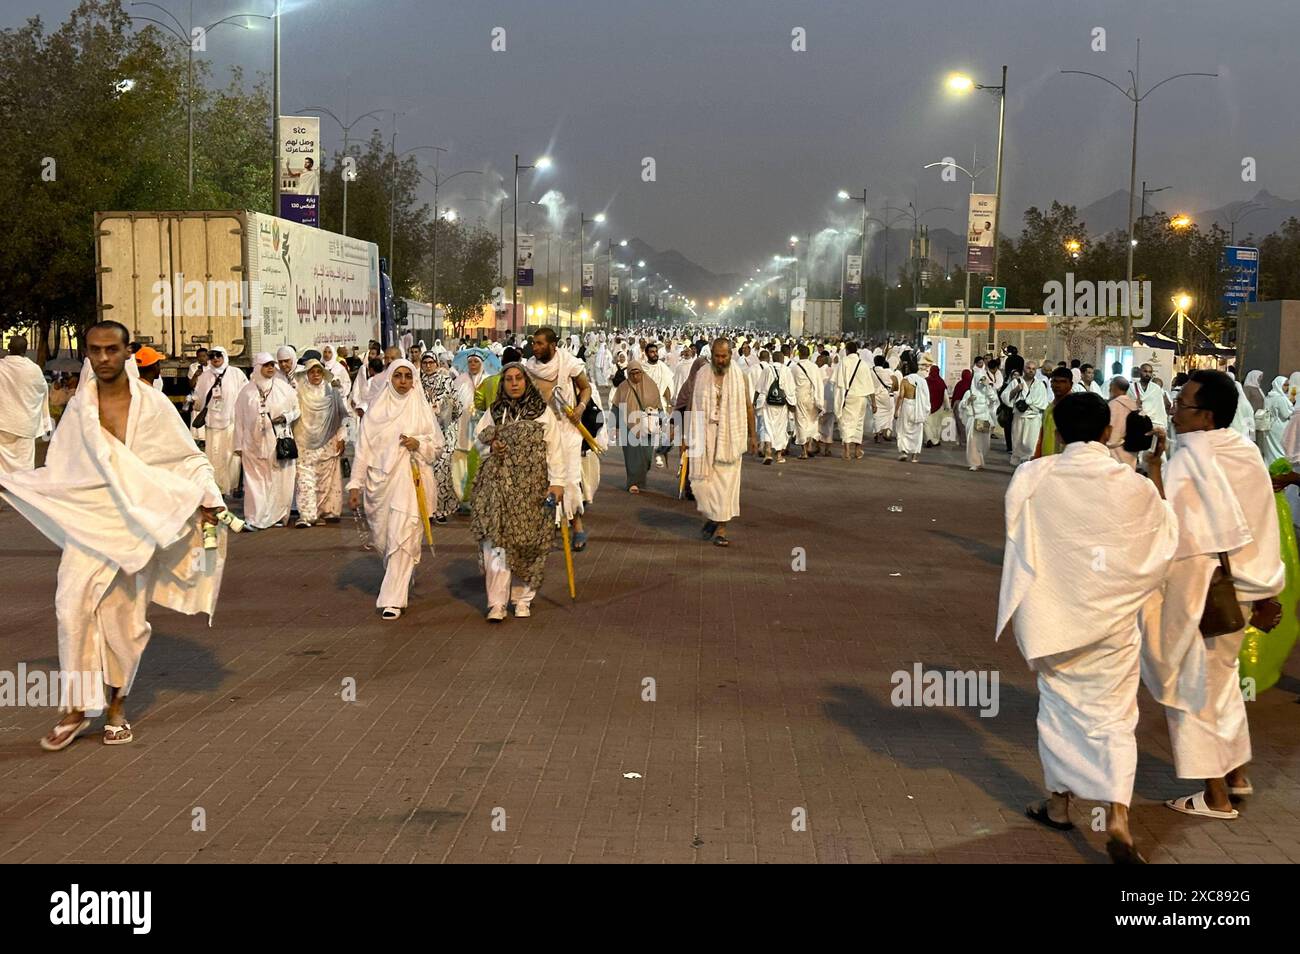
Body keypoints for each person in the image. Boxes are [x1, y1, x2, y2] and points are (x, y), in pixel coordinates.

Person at [0, 321, 227, 751]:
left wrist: (211, 499)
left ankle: (116, 708)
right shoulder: (79, 409)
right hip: (90, 528)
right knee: (71, 608)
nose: (103, 358)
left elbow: (185, 457)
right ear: (87, 353)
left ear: (127, 353)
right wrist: (19, 483)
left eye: (111, 349)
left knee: (124, 624)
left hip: (133, 529)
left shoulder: (154, 405)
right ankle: (76, 708)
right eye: (95, 350)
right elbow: (62, 470)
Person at [997, 392, 1176, 863]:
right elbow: (1164, 539)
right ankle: (1117, 816)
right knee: (1116, 719)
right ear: (1107, 433)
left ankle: (1059, 805)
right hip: (1113, 622)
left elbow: (1018, 530)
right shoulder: (1133, 485)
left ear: (1056, 430)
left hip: (1054, 620)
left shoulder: (1033, 476)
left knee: (1058, 713)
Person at [1142, 369, 1285, 821]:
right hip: (1243, 591)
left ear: (1205, 416)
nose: (1174, 410)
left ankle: (1214, 796)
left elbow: (1177, 531)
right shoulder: (1244, 450)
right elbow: (1261, 528)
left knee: (1194, 690)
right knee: (1222, 686)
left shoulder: (1192, 459)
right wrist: (1264, 592)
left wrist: (1152, 472)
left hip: (1205, 591)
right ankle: (1237, 774)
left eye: (1182, 404)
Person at [470, 364, 566, 621]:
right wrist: (493, 448)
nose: (514, 384)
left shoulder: (543, 412)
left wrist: (557, 483)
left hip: (532, 490)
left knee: (527, 544)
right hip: (499, 488)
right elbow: (478, 440)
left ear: (526, 381)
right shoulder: (494, 412)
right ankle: (497, 603)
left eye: (518, 379)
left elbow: (555, 450)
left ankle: (522, 599)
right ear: (502, 384)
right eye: (509, 380)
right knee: (497, 545)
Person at [346, 360, 440, 621]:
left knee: (403, 536)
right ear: (389, 379)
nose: (402, 381)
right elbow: (363, 451)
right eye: (397, 375)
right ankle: (401, 575)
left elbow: (436, 448)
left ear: (414, 380)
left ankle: (392, 599)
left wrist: (418, 443)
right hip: (380, 485)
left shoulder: (420, 410)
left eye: (407, 376)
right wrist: (355, 484)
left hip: (411, 482)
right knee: (385, 541)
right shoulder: (375, 413)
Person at [525, 327, 594, 551]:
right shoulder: (529, 368)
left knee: (570, 481)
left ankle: (577, 527)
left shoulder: (570, 363)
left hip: (568, 430)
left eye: (539, 343)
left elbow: (586, 388)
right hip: (541, 430)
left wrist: (580, 408)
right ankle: (547, 527)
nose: (535, 347)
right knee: (544, 480)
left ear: (553, 345)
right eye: (534, 343)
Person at [686, 338, 757, 547]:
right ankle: (713, 517)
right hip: (704, 433)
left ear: (730, 354)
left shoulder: (740, 376)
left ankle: (721, 528)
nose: (720, 359)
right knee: (703, 485)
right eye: (717, 356)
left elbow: (748, 407)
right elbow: (692, 403)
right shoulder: (702, 374)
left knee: (725, 485)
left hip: (730, 436)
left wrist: (753, 436)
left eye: (724, 356)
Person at [233, 354, 300, 530]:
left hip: (277, 442)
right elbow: (238, 420)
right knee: (254, 482)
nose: (271, 368)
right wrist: (238, 445)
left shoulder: (283, 388)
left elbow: (296, 410)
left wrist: (285, 417)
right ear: (257, 367)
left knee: (278, 480)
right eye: (266, 365)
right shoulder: (246, 392)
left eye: (272, 365)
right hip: (252, 444)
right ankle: (255, 518)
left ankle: (277, 515)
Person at [291, 358, 347, 527]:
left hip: (328, 441)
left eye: (318, 372)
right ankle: (307, 515)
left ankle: (324, 511)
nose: (315, 375)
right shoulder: (298, 392)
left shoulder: (331, 391)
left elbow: (341, 416)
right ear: (306, 374)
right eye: (312, 372)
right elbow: (292, 414)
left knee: (325, 479)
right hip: (303, 440)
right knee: (304, 478)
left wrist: (342, 437)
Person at [191, 346, 248, 495]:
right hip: (212, 422)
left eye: (218, 356)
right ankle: (217, 487)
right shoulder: (205, 376)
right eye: (212, 356)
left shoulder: (236, 374)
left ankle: (232, 486)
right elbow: (198, 397)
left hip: (232, 421)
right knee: (214, 454)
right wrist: (194, 402)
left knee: (231, 455)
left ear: (224, 356)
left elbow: (246, 395)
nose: (215, 359)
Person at [0, 335, 53, 479]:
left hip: (3, 422)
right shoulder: (34, 369)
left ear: (9, 348)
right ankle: (21, 491)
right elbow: (42, 390)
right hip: (25, 424)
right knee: (24, 464)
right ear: (26, 350)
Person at [419, 352, 462, 522]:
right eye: (425, 362)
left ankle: (441, 510)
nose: (428, 365)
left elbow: (457, 405)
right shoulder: (417, 383)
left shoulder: (446, 381)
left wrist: (445, 406)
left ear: (437, 364)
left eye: (431, 362)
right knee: (427, 473)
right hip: (426, 433)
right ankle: (428, 509)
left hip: (445, 433)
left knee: (442, 472)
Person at [611, 358, 664, 493]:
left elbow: (659, 406)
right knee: (632, 456)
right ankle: (632, 483)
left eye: (637, 373)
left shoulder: (651, 385)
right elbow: (616, 407)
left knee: (646, 457)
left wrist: (662, 421)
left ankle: (640, 479)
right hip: (627, 426)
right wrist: (615, 426)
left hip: (648, 425)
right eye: (632, 374)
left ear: (641, 372)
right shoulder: (623, 387)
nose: (635, 376)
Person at [831, 341, 877, 460]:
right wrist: (874, 403)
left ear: (846, 350)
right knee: (859, 424)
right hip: (862, 398)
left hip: (849, 397)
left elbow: (838, 383)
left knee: (847, 423)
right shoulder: (863, 364)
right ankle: (857, 450)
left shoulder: (844, 362)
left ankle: (846, 451)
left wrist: (838, 400)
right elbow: (870, 385)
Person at [753, 349, 796, 465]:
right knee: (780, 429)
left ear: (773, 359)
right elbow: (791, 390)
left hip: (768, 403)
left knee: (767, 427)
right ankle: (778, 455)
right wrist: (792, 405)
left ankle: (767, 452)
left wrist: (754, 402)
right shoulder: (787, 371)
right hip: (782, 405)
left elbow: (759, 388)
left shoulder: (767, 370)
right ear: (782, 359)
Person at [1003, 362, 1049, 466]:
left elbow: (1043, 402)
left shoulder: (1040, 384)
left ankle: (1030, 464)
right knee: (1018, 443)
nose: (1031, 370)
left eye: (1033, 369)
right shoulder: (1016, 382)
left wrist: (1029, 404)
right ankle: (1018, 465)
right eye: (1028, 368)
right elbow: (1005, 397)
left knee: (1031, 444)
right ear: (1024, 369)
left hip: (1034, 419)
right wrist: (1015, 390)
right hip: (1019, 417)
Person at [958, 366, 998, 471]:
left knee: (984, 443)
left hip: (984, 419)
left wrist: (988, 387)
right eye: (979, 380)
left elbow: (994, 399)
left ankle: (980, 460)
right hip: (973, 419)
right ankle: (974, 462)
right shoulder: (969, 393)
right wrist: (968, 401)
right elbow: (961, 405)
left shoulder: (987, 392)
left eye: (983, 379)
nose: (981, 382)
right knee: (972, 442)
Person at [894, 358, 931, 463]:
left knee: (904, 429)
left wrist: (896, 410)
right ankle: (914, 456)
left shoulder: (905, 380)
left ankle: (904, 452)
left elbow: (901, 396)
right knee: (917, 431)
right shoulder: (922, 381)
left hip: (906, 406)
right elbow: (926, 397)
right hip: (918, 407)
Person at [790, 344, 824, 459]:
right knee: (812, 422)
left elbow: (791, 385)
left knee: (801, 423)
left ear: (799, 354)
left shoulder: (794, 368)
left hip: (799, 398)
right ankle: (809, 445)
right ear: (809, 354)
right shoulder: (814, 367)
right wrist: (820, 400)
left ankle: (804, 451)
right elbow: (819, 384)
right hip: (812, 398)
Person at [1035, 366, 1077, 457]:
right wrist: (1037, 457)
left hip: (1065, 462)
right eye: (1055, 381)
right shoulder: (1049, 408)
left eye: (1063, 382)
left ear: (1071, 384)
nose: (1058, 385)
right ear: (1050, 383)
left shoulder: (1075, 407)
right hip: (1046, 461)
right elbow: (1042, 436)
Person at [1105, 376, 1139, 469]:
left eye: (1110, 386)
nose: (1109, 389)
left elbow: (1113, 436)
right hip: (1131, 451)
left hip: (1116, 453)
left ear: (1114, 387)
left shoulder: (1114, 405)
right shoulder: (1134, 404)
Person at [1259, 374, 1292, 464]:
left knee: (1270, 450)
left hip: (1269, 425)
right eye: (1285, 385)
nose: (1287, 387)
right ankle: (1280, 469)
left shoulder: (1268, 397)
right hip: (1280, 426)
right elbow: (1286, 415)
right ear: (1279, 385)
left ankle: (1270, 466)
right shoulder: (1280, 398)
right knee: (1280, 449)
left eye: (1288, 385)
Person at [922, 364, 949, 447]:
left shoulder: (925, 381)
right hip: (938, 407)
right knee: (937, 425)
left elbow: (921, 393)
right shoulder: (941, 381)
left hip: (927, 406)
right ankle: (935, 441)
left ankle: (928, 439)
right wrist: (947, 406)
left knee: (927, 423)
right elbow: (945, 395)